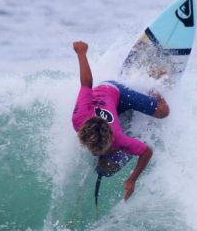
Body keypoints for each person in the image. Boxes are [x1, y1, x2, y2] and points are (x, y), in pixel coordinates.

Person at [72, 40, 169, 201]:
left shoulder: (118, 138)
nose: (95, 153)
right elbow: (86, 83)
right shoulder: (78, 118)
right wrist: (81, 52)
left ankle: (153, 79)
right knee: (105, 170)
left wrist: (132, 179)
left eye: (100, 149)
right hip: (102, 97)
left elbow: (146, 152)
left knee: (164, 112)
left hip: (116, 91)